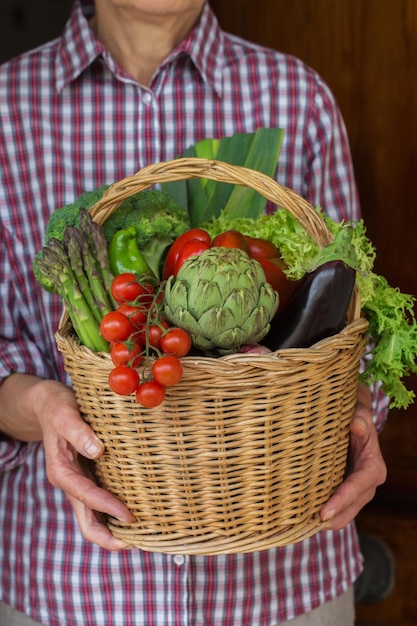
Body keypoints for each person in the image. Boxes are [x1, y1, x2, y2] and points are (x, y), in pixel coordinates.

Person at [0, 1, 388, 625]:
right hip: (73, 586)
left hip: (285, 578)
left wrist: (363, 416)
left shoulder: (298, 96)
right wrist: (43, 407)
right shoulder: (8, 106)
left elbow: (356, 322)